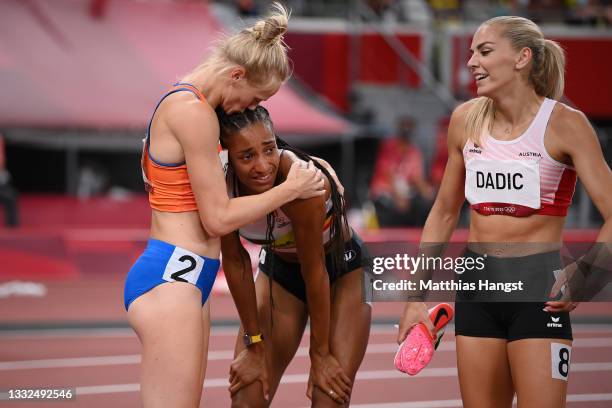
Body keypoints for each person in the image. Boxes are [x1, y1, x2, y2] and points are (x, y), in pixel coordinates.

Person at [397, 16, 612, 408]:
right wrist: (414, 296)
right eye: (470, 53)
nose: (471, 63)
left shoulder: (566, 125)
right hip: (478, 286)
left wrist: (588, 275)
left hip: (538, 292)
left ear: (522, 58)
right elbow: (444, 213)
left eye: (484, 51)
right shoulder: (465, 120)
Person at [123, 4, 326, 408]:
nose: (251, 108)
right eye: (256, 97)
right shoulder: (193, 112)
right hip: (171, 279)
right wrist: (291, 189)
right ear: (236, 75)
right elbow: (216, 219)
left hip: (186, 277)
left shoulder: (193, 104)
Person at [217, 106, 372, 407]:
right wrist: (254, 343)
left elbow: (315, 272)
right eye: (247, 156)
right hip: (281, 273)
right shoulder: (221, 186)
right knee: (247, 395)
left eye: (269, 149)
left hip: (343, 270)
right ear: (228, 157)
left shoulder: (303, 184)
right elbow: (235, 262)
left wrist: (320, 354)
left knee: (328, 396)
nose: (263, 166)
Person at [369, 116, 434, 227]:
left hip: (405, 195)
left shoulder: (414, 152)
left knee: (424, 204)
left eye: (409, 127)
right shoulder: (388, 147)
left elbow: (416, 177)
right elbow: (387, 173)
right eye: (404, 127)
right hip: (385, 193)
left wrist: (428, 193)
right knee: (392, 207)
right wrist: (398, 196)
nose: (406, 130)